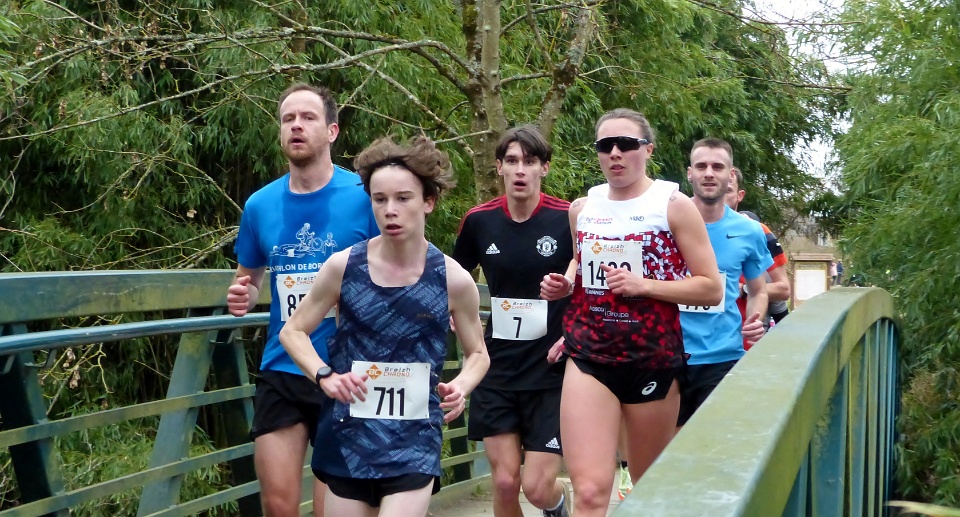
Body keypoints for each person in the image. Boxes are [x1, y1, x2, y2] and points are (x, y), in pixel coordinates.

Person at [279, 135, 490, 517]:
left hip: (414, 437)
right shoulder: (343, 267)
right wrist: (324, 376)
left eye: (403, 198)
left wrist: (461, 386)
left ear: (428, 201)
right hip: (349, 432)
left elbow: (478, 353)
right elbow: (292, 331)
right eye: (379, 200)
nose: (390, 210)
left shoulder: (453, 280)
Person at [540, 108, 722, 517]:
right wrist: (566, 284)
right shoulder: (582, 208)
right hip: (589, 355)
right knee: (590, 492)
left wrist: (646, 286)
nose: (615, 153)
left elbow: (711, 288)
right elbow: (582, 262)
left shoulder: (672, 205)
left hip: (651, 359)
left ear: (648, 150)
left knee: (648, 486)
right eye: (605, 145)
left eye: (626, 144)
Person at [226, 83, 379, 516]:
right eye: (288, 118)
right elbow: (248, 280)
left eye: (308, 117)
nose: (296, 125)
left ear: (332, 131)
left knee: (333, 510)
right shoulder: (259, 205)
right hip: (284, 365)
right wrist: (242, 295)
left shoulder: (365, 196)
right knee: (278, 505)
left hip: (348, 371)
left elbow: (399, 269)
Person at [452, 125, 572, 517]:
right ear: (499, 167)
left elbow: (590, 274)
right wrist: (458, 315)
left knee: (536, 487)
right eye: (512, 161)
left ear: (544, 168)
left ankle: (557, 504)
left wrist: (570, 293)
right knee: (504, 483)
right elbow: (455, 278)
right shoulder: (479, 220)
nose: (521, 169)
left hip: (551, 369)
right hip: (497, 367)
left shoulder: (566, 217)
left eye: (530, 161)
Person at [677, 138, 772, 428]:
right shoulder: (664, 222)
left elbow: (758, 290)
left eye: (717, 167)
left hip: (722, 357)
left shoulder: (749, 231)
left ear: (730, 175)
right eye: (701, 166)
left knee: (712, 442)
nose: (709, 173)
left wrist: (755, 319)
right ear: (690, 173)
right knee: (668, 450)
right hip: (668, 355)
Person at [724, 167, 791, 334]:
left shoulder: (759, 232)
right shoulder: (685, 228)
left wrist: (743, 289)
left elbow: (783, 289)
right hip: (690, 339)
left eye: (728, 190)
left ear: (740, 195)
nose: (721, 196)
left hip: (743, 336)